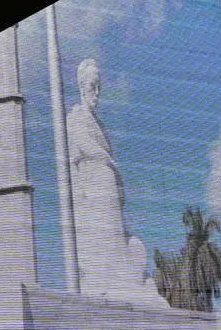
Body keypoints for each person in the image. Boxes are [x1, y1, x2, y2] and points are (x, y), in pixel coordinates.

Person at [66, 57, 164, 305]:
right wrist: (108, 161)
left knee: (116, 234)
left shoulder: (102, 127)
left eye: (99, 86)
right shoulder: (76, 117)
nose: (96, 92)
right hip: (93, 185)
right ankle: (103, 284)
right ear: (81, 86)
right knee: (100, 234)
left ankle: (124, 281)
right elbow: (82, 146)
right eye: (92, 85)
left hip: (110, 188)